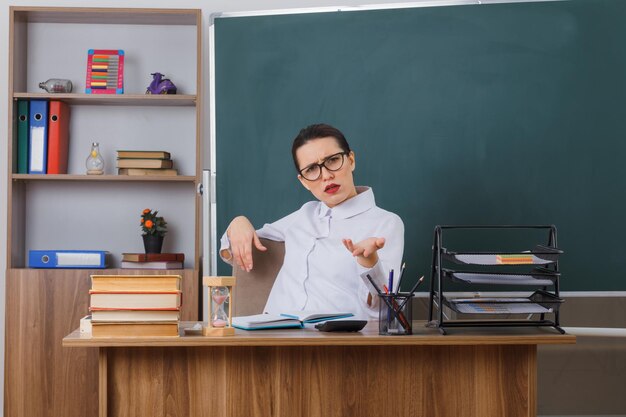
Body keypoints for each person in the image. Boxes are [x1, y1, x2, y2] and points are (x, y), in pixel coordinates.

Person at [220, 124, 404, 319]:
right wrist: (237, 223)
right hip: (273, 330)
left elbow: (383, 309)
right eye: (312, 169)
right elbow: (234, 248)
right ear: (303, 181)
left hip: (338, 338)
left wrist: (369, 263)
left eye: (333, 160)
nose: (326, 176)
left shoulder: (386, 223)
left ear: (351, 160)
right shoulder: (305, 214)